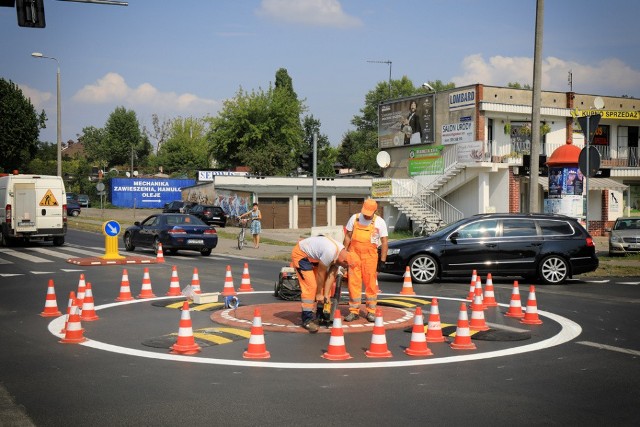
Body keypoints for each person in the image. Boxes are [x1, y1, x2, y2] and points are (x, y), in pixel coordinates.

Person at [291, 235, 360, 333]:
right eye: (346, 266)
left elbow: (331, 275)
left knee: (322, 288)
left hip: (313, 257)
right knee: (311, 287)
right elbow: (321, 273)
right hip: (301, 255)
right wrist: (319, 294)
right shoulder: (330, 252)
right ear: (344, 261)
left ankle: (319, 316)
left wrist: (326, 295)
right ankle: (306, 319)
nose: (345, 269)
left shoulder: (341, 254)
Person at [343, 199, 388, 323]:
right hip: (354, 256)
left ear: (375, 211)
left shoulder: (380, 222)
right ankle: (353, 311)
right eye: (365, 212)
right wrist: (343, 254)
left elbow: (384, 242)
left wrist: (383, 261)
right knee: (353, 284)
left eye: (369, 212)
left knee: (371, 286)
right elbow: (347, 237)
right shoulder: (355, 218)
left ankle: (371, 312)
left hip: (370, 257)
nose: (367, 215)